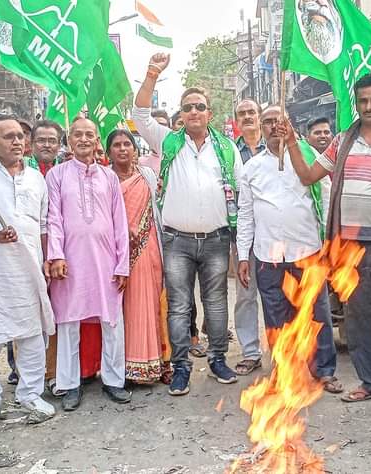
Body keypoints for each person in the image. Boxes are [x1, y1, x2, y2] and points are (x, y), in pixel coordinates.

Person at [285, 73, 371, 419]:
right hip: (349, 246)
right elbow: (308, 176)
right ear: (356, 104)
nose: (369, 107)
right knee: (358, 321)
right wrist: (289, 142)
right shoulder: (343, 140)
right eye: (363, 101)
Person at [133, 52, 243, 396]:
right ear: (181, 115)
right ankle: (180, 367)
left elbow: (241, 193)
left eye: (199, 106)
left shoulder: (226, 148)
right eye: (188, 107)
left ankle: (217, 360)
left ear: (210, 113)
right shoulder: (168, 141)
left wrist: (243, 243)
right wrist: (152, 73)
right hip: (177, 240)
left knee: (216, 303)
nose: (193, 112)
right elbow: (139, 114)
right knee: (179, 305)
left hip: (216, 240)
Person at [236, 106, 341, 392]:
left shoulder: (309, 158)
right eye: (267, 122)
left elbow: (328, 200)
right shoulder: (251, 168)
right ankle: (285, 372)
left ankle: (324, 371)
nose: (272, 127)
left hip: (307, 250)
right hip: (268, 255)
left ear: (289, 125)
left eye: (277, 121)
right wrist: (243, 255)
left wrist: (330, 245)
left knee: (316, 314)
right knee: (275, 316)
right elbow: (245, 214)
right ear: (261, 126)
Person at [0, 114, 58, 425]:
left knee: (33, 335)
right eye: (9, 136)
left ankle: (30, 394)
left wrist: (48, 259)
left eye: (21, 136)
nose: (18, 141)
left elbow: (45, 223)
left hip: (30, 268)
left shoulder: (36, 178)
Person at [45, 118, 132, 410]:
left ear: (96, 142)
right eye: (78, 134)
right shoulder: (56, 176)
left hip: (106, 261)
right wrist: (56, 255)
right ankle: (69, 385)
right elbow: (53, 219)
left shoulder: (108, 177)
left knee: (111, 321)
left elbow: (120, 222)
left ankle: (113, 380)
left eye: (89, 135)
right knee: (69, 321)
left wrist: (123, 264)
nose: (84, 139)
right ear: (69, 140)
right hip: (70, 261)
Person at [108, 129, 170, 384]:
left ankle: (158, 363)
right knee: (124, 308)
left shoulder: (146, 175)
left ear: (135, 149)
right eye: (117, 145)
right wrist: (121, 229)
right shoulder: (104, 179)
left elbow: (159, 207)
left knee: (153, 303)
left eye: (127, 144)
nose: (123, 149)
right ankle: (126, 366)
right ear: (108, 151)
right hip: (117, 251)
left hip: (149, 246)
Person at [232, 99, 265, 377]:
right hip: (242, 233)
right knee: (245, 294)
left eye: (251, 112)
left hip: (274, 232)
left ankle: (285, 353)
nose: (247, 117)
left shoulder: (277, 146)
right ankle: (251, 352)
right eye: (241, 114)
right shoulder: (230, 151)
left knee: (278, 294)